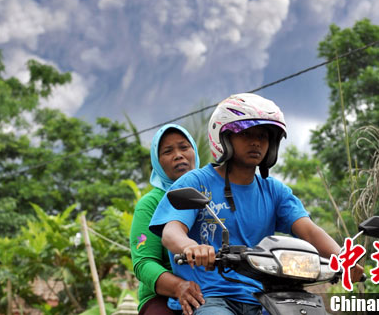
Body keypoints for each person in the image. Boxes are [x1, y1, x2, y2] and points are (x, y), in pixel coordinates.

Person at [150, 93, 364, 315]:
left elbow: (309, 231)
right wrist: (190, 247)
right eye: (246, 133)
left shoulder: (275, 191)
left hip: (265, 298)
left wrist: (344, 258)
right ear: (224, 138)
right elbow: (171, 232)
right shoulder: (196, 183)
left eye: (263, 136)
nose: (256, 142)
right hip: (210, 297)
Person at [130, 123, 205, 315]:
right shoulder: (150, 204)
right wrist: (178, 287)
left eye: (184, 147)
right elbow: (144, 262)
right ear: (157, 162)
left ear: (194, 152)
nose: (178, 155)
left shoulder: (213, 194)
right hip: (164, 296)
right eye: (168, 151)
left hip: (217, 290)